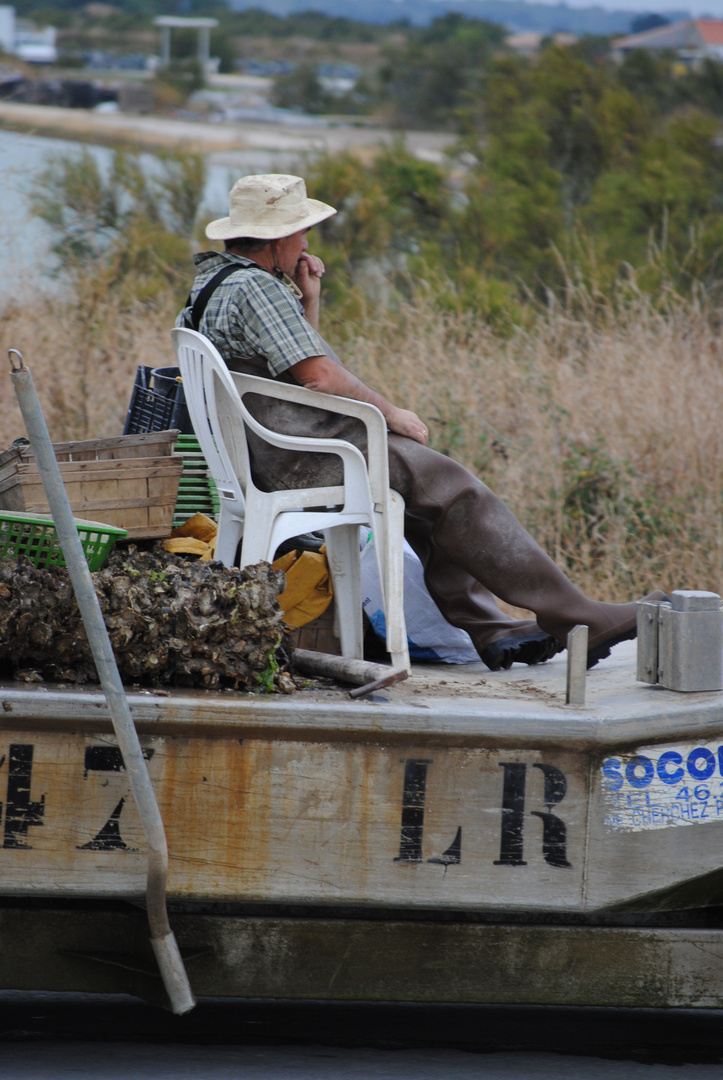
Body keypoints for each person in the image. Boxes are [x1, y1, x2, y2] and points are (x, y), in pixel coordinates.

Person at [177, 174, 663, 670]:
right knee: (456, 490)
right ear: (278, 241)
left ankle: (492, 630)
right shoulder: (259, 289)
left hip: (273, 453)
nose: (306, 244)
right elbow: (319, 377)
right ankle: (579, 617)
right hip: (306, 457)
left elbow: (291, 365)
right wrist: (392, 414)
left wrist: (310, 300)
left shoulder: (211, 286)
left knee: (428, 496)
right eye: (301, 233)